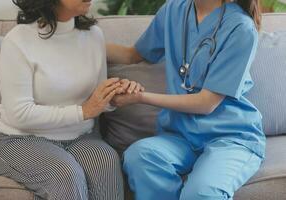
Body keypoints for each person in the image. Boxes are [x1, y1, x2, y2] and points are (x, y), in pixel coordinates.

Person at [107, 0, 266, 199]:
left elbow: (206, 103)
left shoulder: (241, 28)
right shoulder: (174, 10)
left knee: (202, 192)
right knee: (140, 156)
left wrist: (140, 97)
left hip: (230, 136)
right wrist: (82, 41)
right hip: (180, 135)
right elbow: (133, 55)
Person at [0, 0, 143, 199]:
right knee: (65, 175)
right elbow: (19, 114)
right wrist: (83, 111)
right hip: (20, 139)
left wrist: (113, 96)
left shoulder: (93, 36)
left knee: (106, 161)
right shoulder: (18, 41)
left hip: (81, 136)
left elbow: (94, 101)